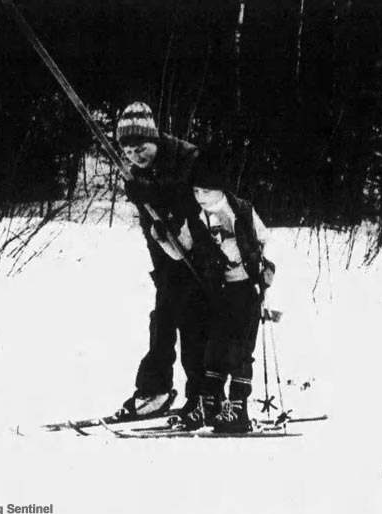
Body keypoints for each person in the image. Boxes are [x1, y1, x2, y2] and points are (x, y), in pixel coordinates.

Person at [152, 148, 274, 433]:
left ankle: (239, 408)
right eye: (196, 191)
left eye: (207, 191)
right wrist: (161, 237)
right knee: (214, 346)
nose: (201, 197)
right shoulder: (195, 218)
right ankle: (210, 405)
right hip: (218, 290)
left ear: (220, 188)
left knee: (239, 349)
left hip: (245, 288)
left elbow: (265, 239)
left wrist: (266, 271)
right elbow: (180, 251)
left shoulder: (240, 210)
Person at [115, 101, 204, 418]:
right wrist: (162, 268)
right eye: (128, 150)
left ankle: (203, 396)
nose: (135, 155)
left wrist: (150, 191)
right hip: (169, 253)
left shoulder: (187, 156)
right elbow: (148, 223)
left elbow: (187, 194)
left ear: (154, 138)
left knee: (195, 324)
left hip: (206, 250)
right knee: (163, 317)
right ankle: (155, 390)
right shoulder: (138, 174)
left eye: (141, 146)